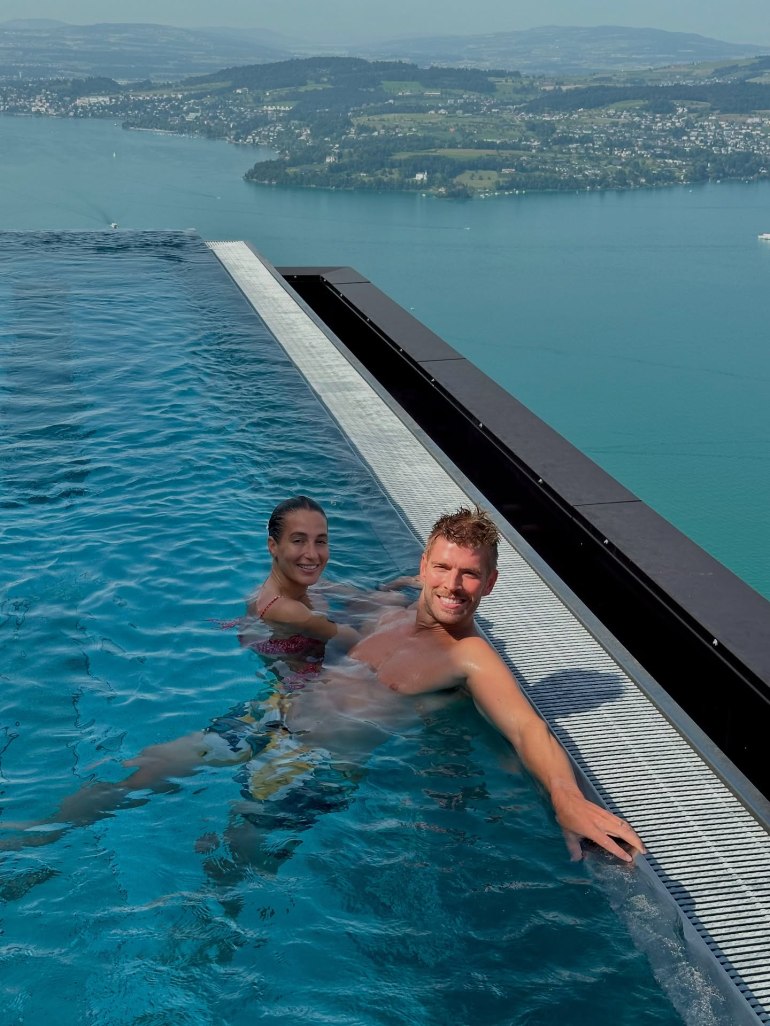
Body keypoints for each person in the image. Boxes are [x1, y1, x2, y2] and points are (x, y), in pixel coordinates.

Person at [3, 503, 644, 864]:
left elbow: (527, 725)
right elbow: (312, 588)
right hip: (269, 717)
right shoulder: (383, 610)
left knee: (230, 857)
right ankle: (29, 845)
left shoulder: (471, 658)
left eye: (470, 575)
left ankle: (195, 962)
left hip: (320, 764)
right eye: (443, 568)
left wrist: (564, 795)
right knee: (141, 769)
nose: (454, 585)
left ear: (491, 583)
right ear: (423, 567)